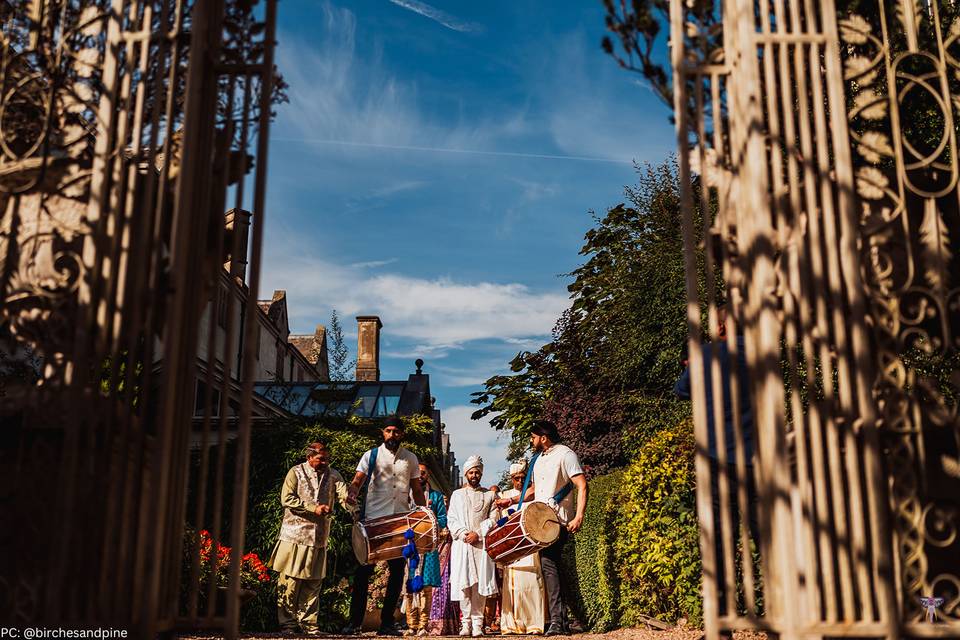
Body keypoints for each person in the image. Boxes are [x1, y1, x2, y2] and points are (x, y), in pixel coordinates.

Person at [673, 304, 757, 627]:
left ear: (721, 327)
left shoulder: (707, 355)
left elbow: (681, 390)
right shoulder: (761, 354)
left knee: (720, 542)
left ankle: (722, 623)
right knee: (767, 537)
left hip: (719, 459)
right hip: (758, 459)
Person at [496, 421, 588, 636]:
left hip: (558, 522)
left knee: (549, 566)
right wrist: (511, 502)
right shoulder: (538, 459)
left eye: (533, 436)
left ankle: (559, 621)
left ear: (543, 437)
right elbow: (535, 490)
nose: (531, 440)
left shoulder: (566, 454)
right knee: (551, 569)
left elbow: (582, 484)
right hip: (541, 524)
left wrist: (579, 516)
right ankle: (561, 620)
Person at [343, 420, 427, 636]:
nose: (392, 434)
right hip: (374, 520)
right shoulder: (370, 455)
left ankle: (387, 623)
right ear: (383, 433)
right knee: (364, 572)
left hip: (400, 520)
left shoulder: (411, 458)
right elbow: (357, 481)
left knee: (397, 572)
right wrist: (352, 493)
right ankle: (354, 623)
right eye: (388, 431)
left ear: (402, 434)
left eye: (396, 431)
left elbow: (416, 489)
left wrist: (425, 514)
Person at [268, 441, 354, 635]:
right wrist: (313, 508)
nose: (325, 462)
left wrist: (352, 504)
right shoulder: (295, 472)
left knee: (313, 583)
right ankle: (288, 625)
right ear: (309, 457)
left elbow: (344, 497)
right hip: (295, 535)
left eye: (327, 459)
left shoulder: (334, 475)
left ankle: (309, 626)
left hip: (319, 537)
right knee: (290, 582)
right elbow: (286, 499)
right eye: (321, 459)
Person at [448, 456, 498, 637]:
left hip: (481, 545)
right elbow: (451, 519)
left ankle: (478, 624)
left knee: (480, 585)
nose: (474, 475)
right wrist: (462, 533)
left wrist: (478, 533)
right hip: (462, 545)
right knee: (464, 585)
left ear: (481, 473)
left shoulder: (489, 495)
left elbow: (494, 519)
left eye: (477, 472)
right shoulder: (457, 495)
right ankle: (466, 624)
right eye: (471, 472)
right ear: (466, 473)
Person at [498, 461, 545, 635]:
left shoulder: (534, 494)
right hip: (513, 549)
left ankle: (534, 624)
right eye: (516, 478)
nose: (519, 482)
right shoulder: (505, 495)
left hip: (531, 548)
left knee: (532, 585)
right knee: (514, 588)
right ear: (511, 479)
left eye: (522, 478)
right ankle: (512, 625)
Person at [403, 463, 448, 636]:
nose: (420, 475)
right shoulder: (404, 495)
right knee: (408, 587)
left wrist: (431, 526)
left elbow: (443, 518)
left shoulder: (436, 497)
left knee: (426, 587)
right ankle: (411, 625)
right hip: (409, 547)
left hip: (429, 546)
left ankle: (423, 625)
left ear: (427, 475)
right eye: (418, 473)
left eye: (423, 473)